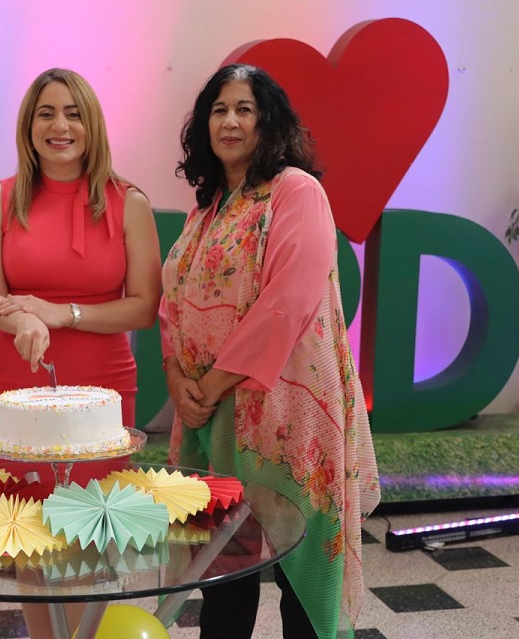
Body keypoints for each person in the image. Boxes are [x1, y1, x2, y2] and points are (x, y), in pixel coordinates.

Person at [160, 63, 380, 639]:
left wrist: (207, 387)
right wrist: (175, 375)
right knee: (223, 576)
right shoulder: (207, 208)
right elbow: (173, 301)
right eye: (218, 110)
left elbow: (288, 301)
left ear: (268, 122)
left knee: (299, 577)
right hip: (214, 419)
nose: (229, 121)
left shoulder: (296, 191)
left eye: (244, 109)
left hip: (286, 418)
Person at [0, 67, 161, 638]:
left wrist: (65, 314)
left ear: (92, 125)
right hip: (11, 376)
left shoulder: (129, 203)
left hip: (102, 383)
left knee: (87, 536)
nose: (60, 126)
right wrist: (24, 314)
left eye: (73, 113)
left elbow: (144, 307)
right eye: (46, 113)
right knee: (30, 538)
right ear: (28, 126)